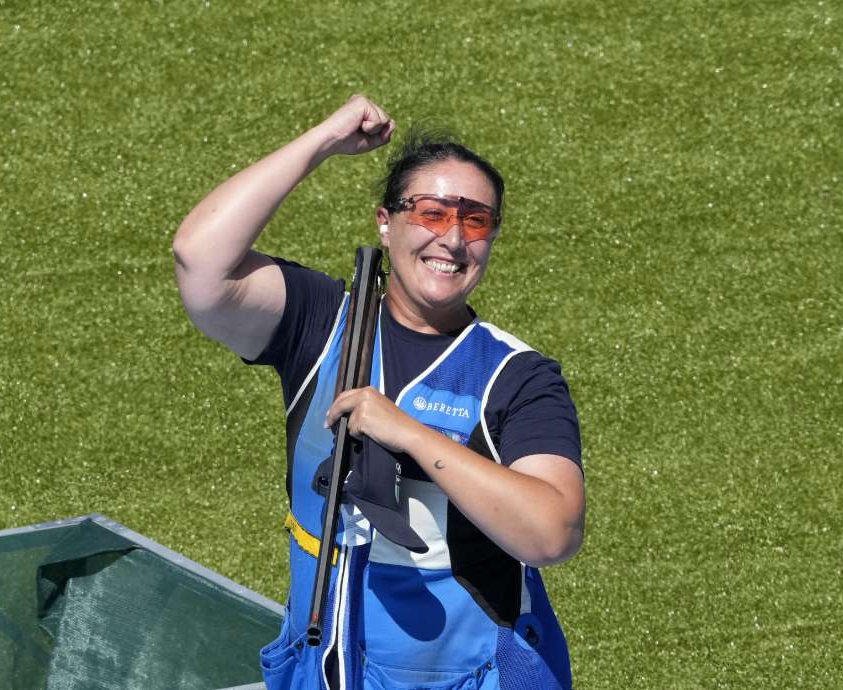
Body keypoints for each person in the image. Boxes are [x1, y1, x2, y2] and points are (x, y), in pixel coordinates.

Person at [173, 94, 585, 690]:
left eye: (475, 220)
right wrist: (324, 139)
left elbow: (553, 533)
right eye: (431, 213)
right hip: (326, 670)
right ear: (385, 222)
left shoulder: (516, 375)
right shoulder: (321, 324)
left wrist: (411, 435)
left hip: (473, 678)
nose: (453, 239)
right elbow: (199, 260)